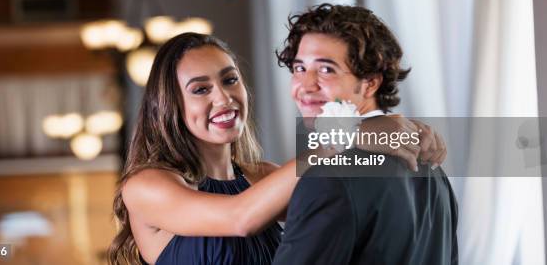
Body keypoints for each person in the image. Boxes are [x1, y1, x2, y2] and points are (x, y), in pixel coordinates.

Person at [108, 33, 446, 265]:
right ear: (169, 105)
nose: (223, 98)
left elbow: (349, 213)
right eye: (200, 89)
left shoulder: (264, 176)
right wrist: (346, 134)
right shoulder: (144, 186)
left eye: (230, 80)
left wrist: (407, 133)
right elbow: (240, 218)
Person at [271, 4, 458, 265]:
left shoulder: (328, 178)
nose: (305, 85)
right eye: (299, 68)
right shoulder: (434, 173)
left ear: (370, 82)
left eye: (326, 70)